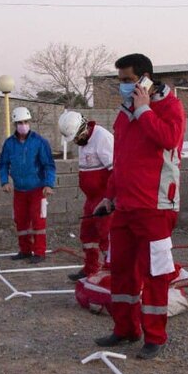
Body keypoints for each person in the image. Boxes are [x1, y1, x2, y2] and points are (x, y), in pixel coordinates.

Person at [93, 53, 185, 360]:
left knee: (155, 273)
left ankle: (155, 336)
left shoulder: (169, 106)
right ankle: (125, 329)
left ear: (146, 78)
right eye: (120, 81)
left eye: (128, 80)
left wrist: (145, 110)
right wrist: (109, 196)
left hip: (156, 206)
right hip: (125, 207)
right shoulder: (124, 113)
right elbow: (119, 160)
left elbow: (169, 139)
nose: (123, 86)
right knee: (121, 270)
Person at [58, 110, 114, 281]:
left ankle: (112, 270)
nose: (75, 142)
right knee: (88, 234)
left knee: (106, 235)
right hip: (91, 198)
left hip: (104, 197)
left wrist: (110, 199)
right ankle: (91, 267)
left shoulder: (102, 138)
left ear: (83, 128)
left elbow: (116, 171)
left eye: (76, 137)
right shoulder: (84, 141)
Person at [0, 106, 56, 263]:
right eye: (19, 122)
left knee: (38, 221)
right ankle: (25, 250)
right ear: (15, 124)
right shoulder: (9, 144)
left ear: (29, 122)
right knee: (21, 220)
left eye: (25, 122)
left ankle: (39, 252)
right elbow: (3, 164)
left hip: (37, 189)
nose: (23, 125)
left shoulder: (39, 142)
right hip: (19, 190)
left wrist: (49, 184)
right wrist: (4, 181)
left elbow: (49, 165)